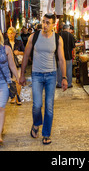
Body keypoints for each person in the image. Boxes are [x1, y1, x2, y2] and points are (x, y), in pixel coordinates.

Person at [19, 13, 67, 145]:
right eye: (43, 22)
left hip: (51, 75)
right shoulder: (33, 37)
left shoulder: (58, 39)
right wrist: (22, 74)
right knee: (37, 105)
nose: (44, 25)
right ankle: (36, 124)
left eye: (47, 23)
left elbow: (62, 60)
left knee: (49, 107)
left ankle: (46, 134)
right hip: (37, 75)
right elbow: (26, 55)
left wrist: (64, 77)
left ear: (53, 25)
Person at [4, 26, 25, 105]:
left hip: (17, 64)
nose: (10, 35)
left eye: (12, 33)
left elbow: (24, 52)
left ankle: (18, 97)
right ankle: (13, 97)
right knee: (11, 81)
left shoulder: (19, 42)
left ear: (15, 34)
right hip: (8, 65)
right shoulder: (5, 43)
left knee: (18, 80)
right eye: (9, 33)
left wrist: (18, 53)